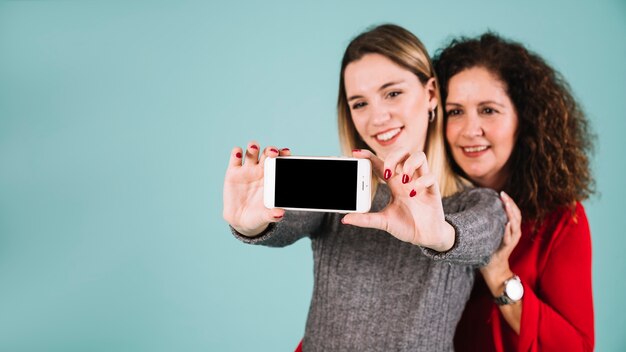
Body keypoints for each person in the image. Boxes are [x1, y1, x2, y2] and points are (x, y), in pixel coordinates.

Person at [223, 24, 506, 351]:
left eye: (393, 93)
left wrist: (439, 233)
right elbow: (288, 219)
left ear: (430, 94)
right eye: (360, 103)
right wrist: (254, 222)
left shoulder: (475, 202)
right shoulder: (343, 193)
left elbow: (484, 235)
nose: (377, 118)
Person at [434, 33, 595, 351]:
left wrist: (498, 274)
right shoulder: (424, 211)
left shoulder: (562, 219)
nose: (470, 130)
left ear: (525, 119)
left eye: (488, 110)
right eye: (455, 112)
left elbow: (575, 347)